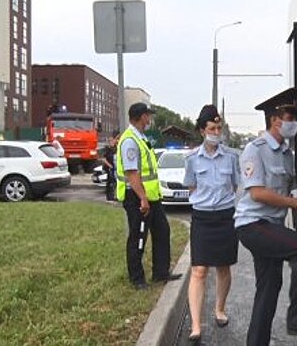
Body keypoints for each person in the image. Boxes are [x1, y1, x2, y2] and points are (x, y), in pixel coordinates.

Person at [234, 104, 297, 346]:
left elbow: (291, 191)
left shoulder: (286, 154)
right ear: (274, 120)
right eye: (289, 118)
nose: (293, 123)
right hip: (253, 225)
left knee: (269, 287)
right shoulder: (255, 149)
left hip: (270, 225)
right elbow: (258, 194)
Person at [183, 105, 241, 344]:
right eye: (212, 128)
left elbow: (235, 185)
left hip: (225, 217)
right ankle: (196, 325)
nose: (216, 132)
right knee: (199, 270)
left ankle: (219, 309)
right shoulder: (191, 159)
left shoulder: (231, 157)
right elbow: (191, 186)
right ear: (201, 131)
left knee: (224, 267)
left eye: (219, 128)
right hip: (202, 218)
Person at [115, 102, 182, 290]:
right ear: (141, 116)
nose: (150, 119)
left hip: (151, 197)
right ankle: (137, 279)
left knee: (162, 231)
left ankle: (161, 273)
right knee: (138, 237)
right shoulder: (129, 140)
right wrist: (143, 198)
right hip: (136, 197)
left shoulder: (141, 137)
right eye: (148, 115)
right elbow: (132, 173)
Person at [102, 131, 120, 201]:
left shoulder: (116, 148)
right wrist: (110, 166)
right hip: (110, 168)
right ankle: (109, 196)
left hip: (116, 168)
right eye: (110, 140)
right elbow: (103, 159)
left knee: (116, 182)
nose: (111, 142)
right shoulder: (107, 149)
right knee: (110, 182)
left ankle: (115, 195)